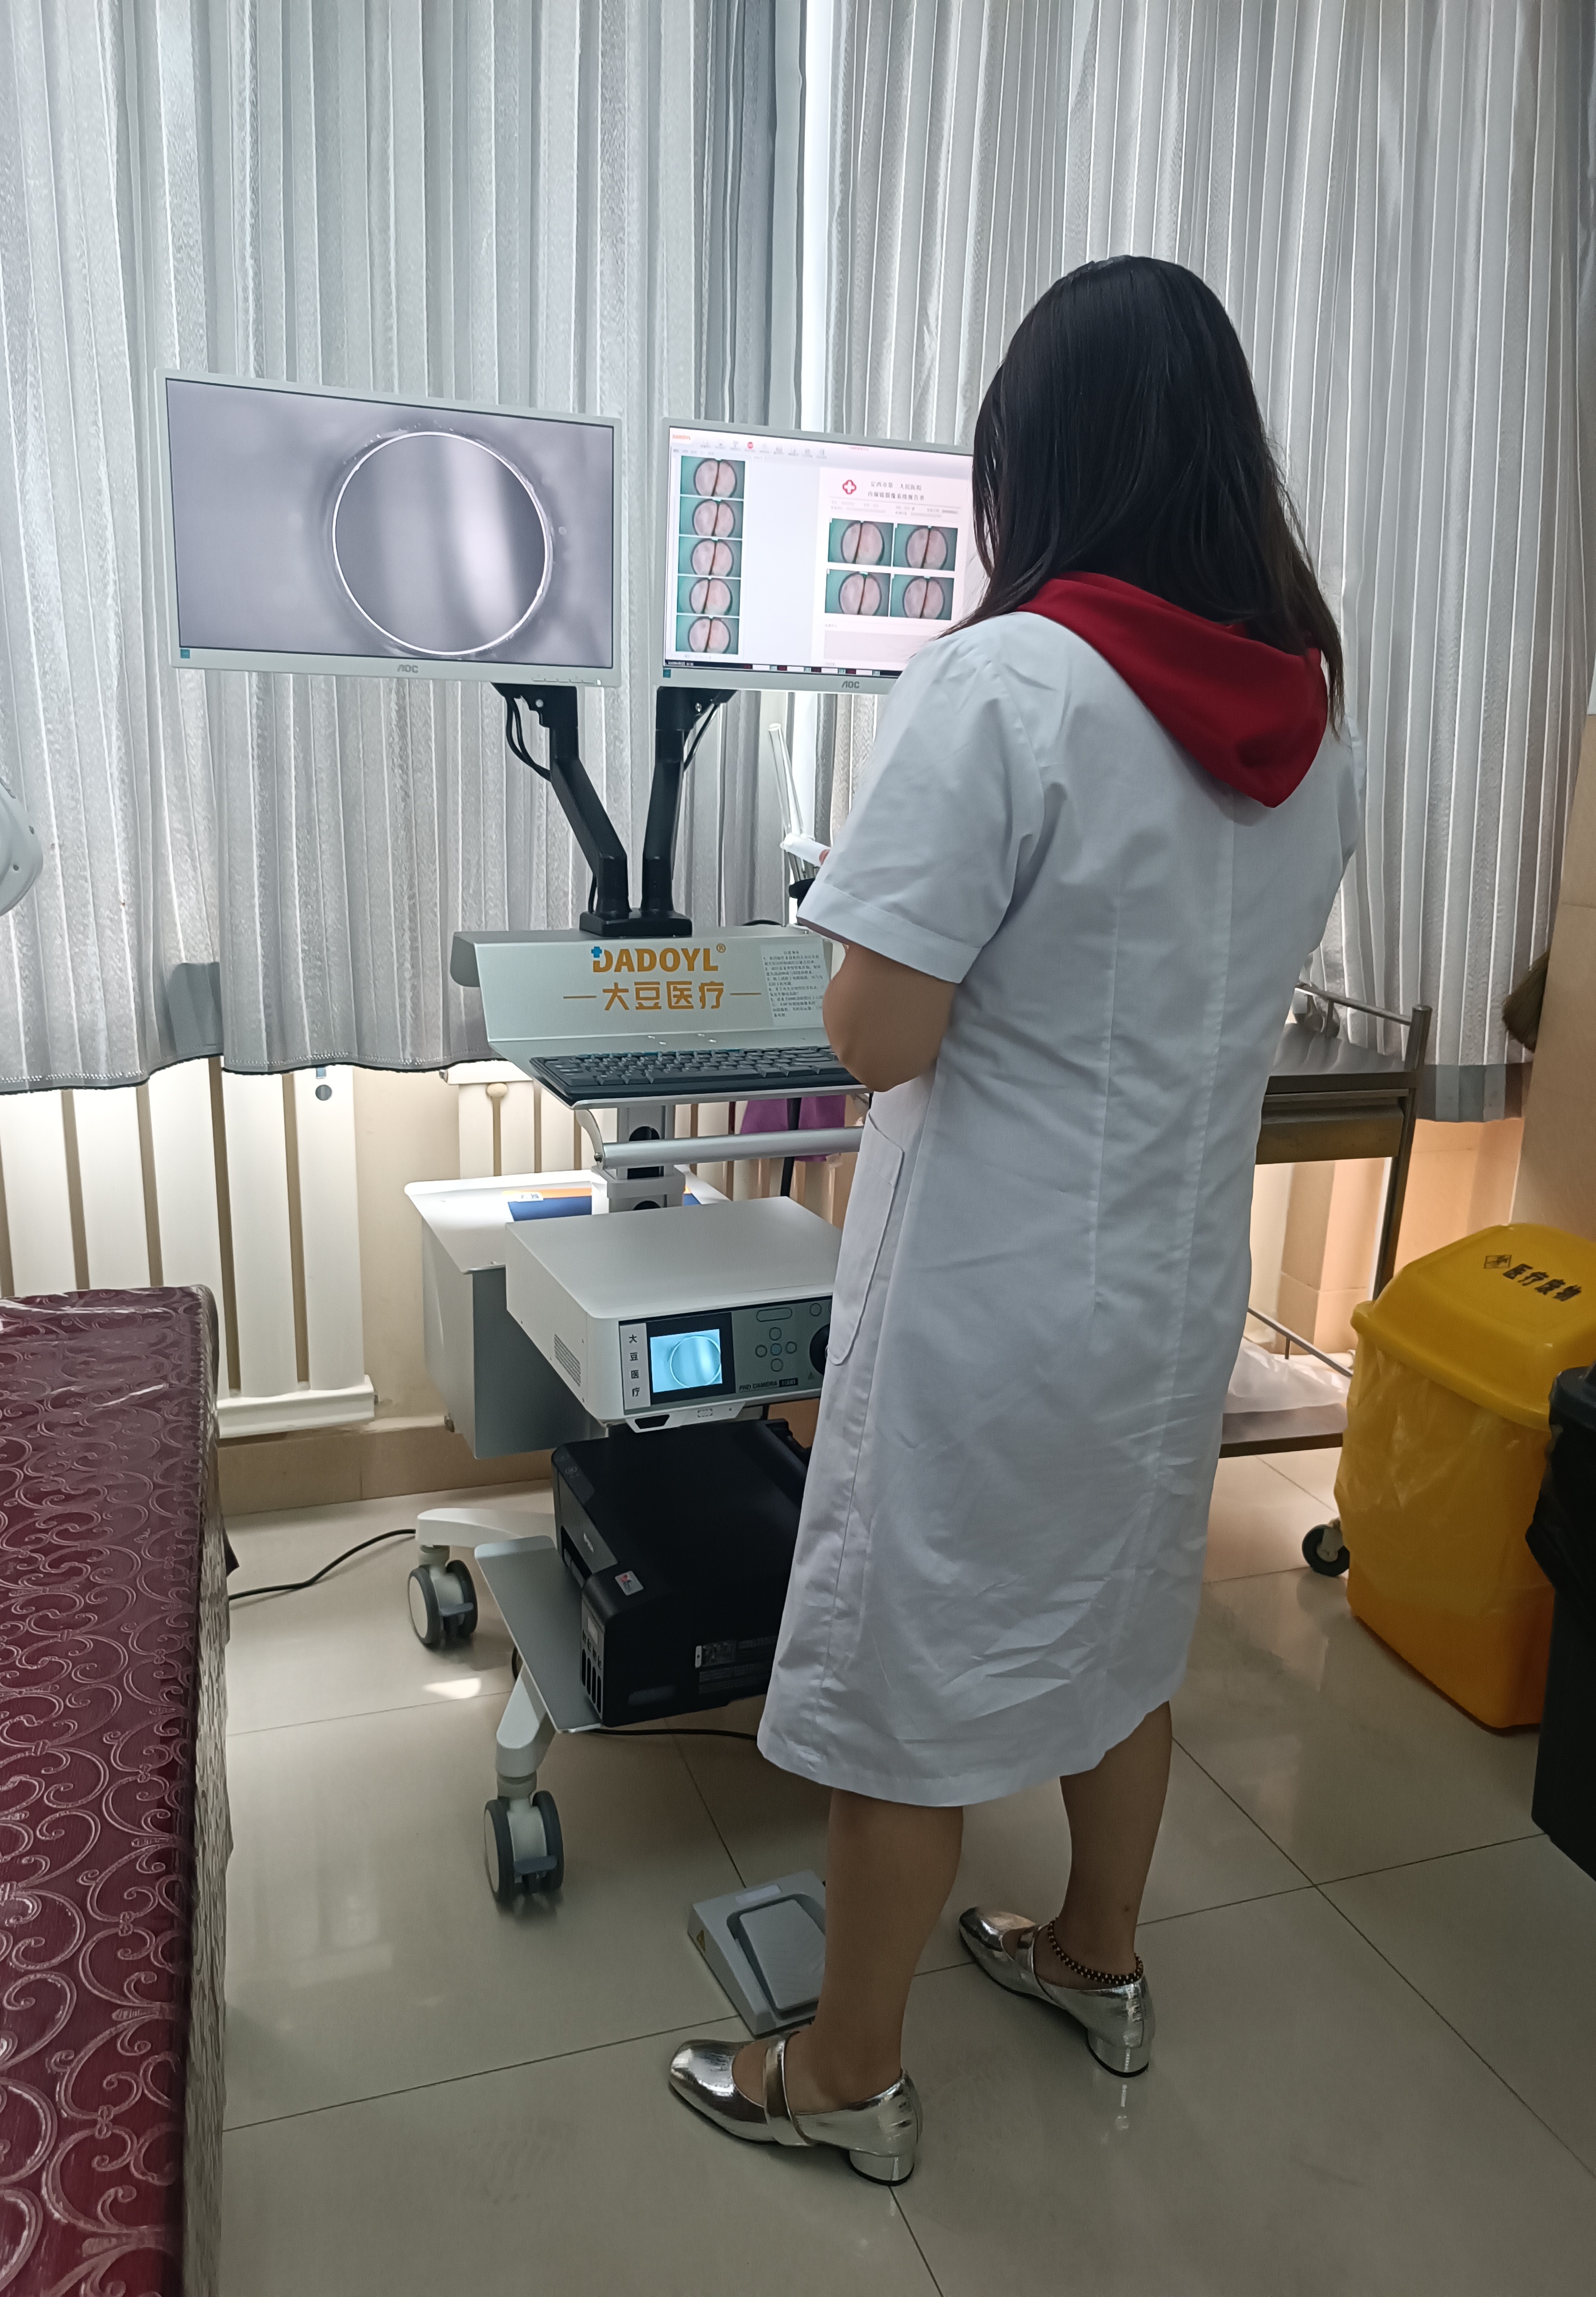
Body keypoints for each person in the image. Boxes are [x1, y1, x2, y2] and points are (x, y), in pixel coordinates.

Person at [667, 254, 1362, 2182]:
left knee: (910, 1677)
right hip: (1171, 1280)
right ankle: (1096, 1957)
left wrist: (858, 943)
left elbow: (879, 1036)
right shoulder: (1312, 715)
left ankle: (846, 2079)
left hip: (991, 1292)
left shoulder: (1007, 681)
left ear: (1037, 463)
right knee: (1119, 1629)